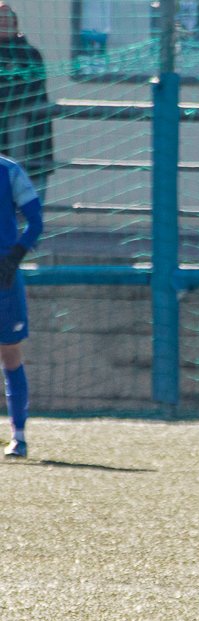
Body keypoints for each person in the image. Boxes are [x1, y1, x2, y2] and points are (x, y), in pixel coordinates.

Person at [0, 153, 42, 458]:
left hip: (4, 277)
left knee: (10, 352)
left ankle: (19, 437)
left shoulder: (9, 170)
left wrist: (13, 258)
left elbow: (36, 222)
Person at [0, 3, 54, 205]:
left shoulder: (30, 55)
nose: (3, 23)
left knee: (29, 211)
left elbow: (29, 90)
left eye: (7, 19)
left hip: (31, 146)